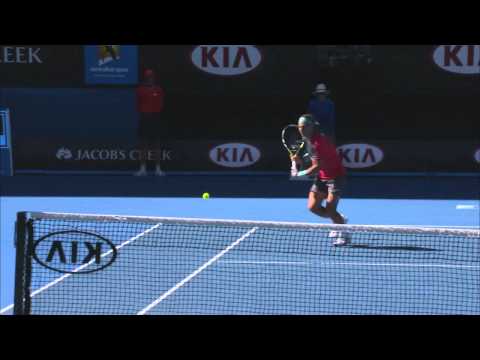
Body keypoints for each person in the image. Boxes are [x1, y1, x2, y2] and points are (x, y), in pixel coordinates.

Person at [291, 114, 350, 246]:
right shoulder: (309, 141)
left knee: (330, 209)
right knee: (313, 207)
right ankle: (340, 220)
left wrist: (298, 174)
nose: (301, 129)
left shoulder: (318, 143)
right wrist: (298, 161)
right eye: (300, 127)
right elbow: (312, 161)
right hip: (322, 176)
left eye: (304, 127)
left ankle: (344, 234)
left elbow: (316, 167)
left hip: (335, 176)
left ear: (312, 127)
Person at [135, 69, 165, 176]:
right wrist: (145, 113)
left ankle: (158, 169)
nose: (150, 79)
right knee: (143, 145)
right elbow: (138, 105)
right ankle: (142, 169)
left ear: (154, 78)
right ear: (145, 78)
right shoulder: (140, 90)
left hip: (155, 119)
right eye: (148, 77)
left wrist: (154, 113)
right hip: (145, 118)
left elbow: (161, 104)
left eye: (151, 77)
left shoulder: (159, 89)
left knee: (156, 144)